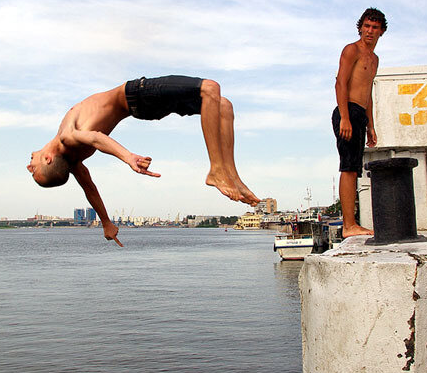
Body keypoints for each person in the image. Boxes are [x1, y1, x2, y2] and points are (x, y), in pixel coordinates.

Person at [27, 76, 260, 246]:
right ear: (49, 159)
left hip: (143, 106)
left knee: (223, 106)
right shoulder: (67, 137)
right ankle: (216, 171)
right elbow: (96, 138)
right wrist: (128, 156)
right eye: (33, 168)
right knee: (210, 88)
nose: (29, 164)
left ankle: (233, 177)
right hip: (138, 94)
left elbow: (90, 190)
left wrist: (107, 222)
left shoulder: (75, 162)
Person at [332, 8, 387, 238]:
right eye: (366, 26)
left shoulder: (374, 59)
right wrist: (345, 116)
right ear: (360, 27)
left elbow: (368, 95)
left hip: (360, 114)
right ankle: (349, 225)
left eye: (375, 27)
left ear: (381, 31)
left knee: (354, 168)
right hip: (347, 111)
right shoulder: (351, 50)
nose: (369, 31)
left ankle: (351, 224)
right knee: (348, 168)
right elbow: (340, 84)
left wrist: (370, 125)